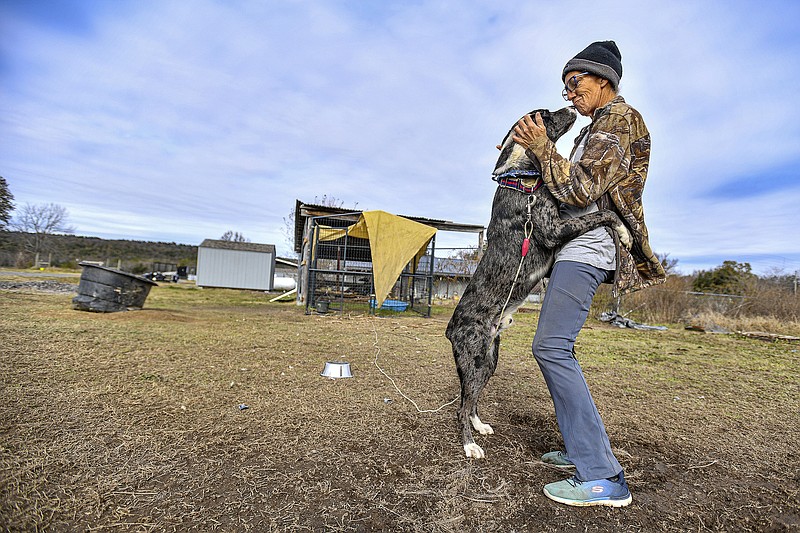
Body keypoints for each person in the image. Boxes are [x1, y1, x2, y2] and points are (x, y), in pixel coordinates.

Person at [510, 40, 666, 507]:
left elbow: (579, 190)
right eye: (564, 87)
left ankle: (602, 476)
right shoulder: (597, 126)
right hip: (575, 244)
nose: (569, 93)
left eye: (575, 83)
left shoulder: (618, 120)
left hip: (589, 246)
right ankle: (582, 451)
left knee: (551, 347)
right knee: (558, 348)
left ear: (604, 80)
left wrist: (541, 148)